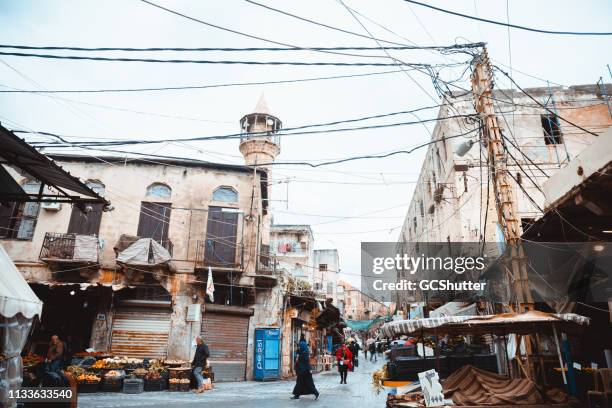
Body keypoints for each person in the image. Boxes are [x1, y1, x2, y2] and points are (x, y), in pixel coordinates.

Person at [291, 336, 319, 400]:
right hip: (301, 371)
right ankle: (297, 395)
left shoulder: (305, 353)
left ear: (302, 346)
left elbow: (307, 362)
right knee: (299, 383)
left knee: (308, 384)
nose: (299, 347)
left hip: (305, 371)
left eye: (300, 346)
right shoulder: (301, 352)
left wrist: (309, 369)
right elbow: (297, 359)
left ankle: (316, 393)